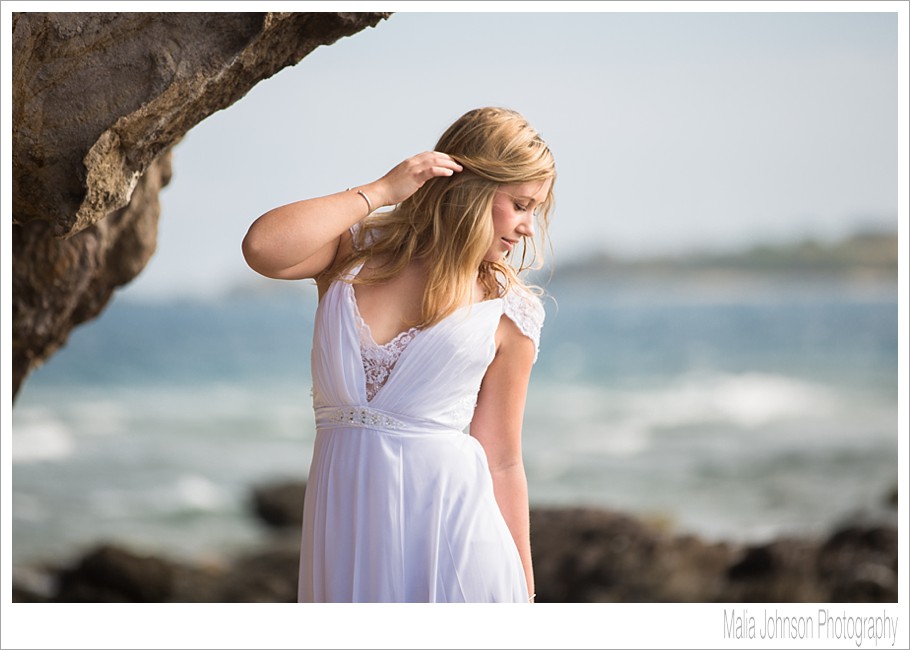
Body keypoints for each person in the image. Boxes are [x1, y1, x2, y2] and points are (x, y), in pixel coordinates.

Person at [242, 107, 556, 603]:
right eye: (519, 204)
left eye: (534, 210)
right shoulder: (354, 253)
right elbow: (263, 247)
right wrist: (382, 192)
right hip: (346, 538)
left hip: (454, 543)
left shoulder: (507, 310)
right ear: (470, 187)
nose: (527, 228)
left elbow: (501, 460)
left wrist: (527, 595)